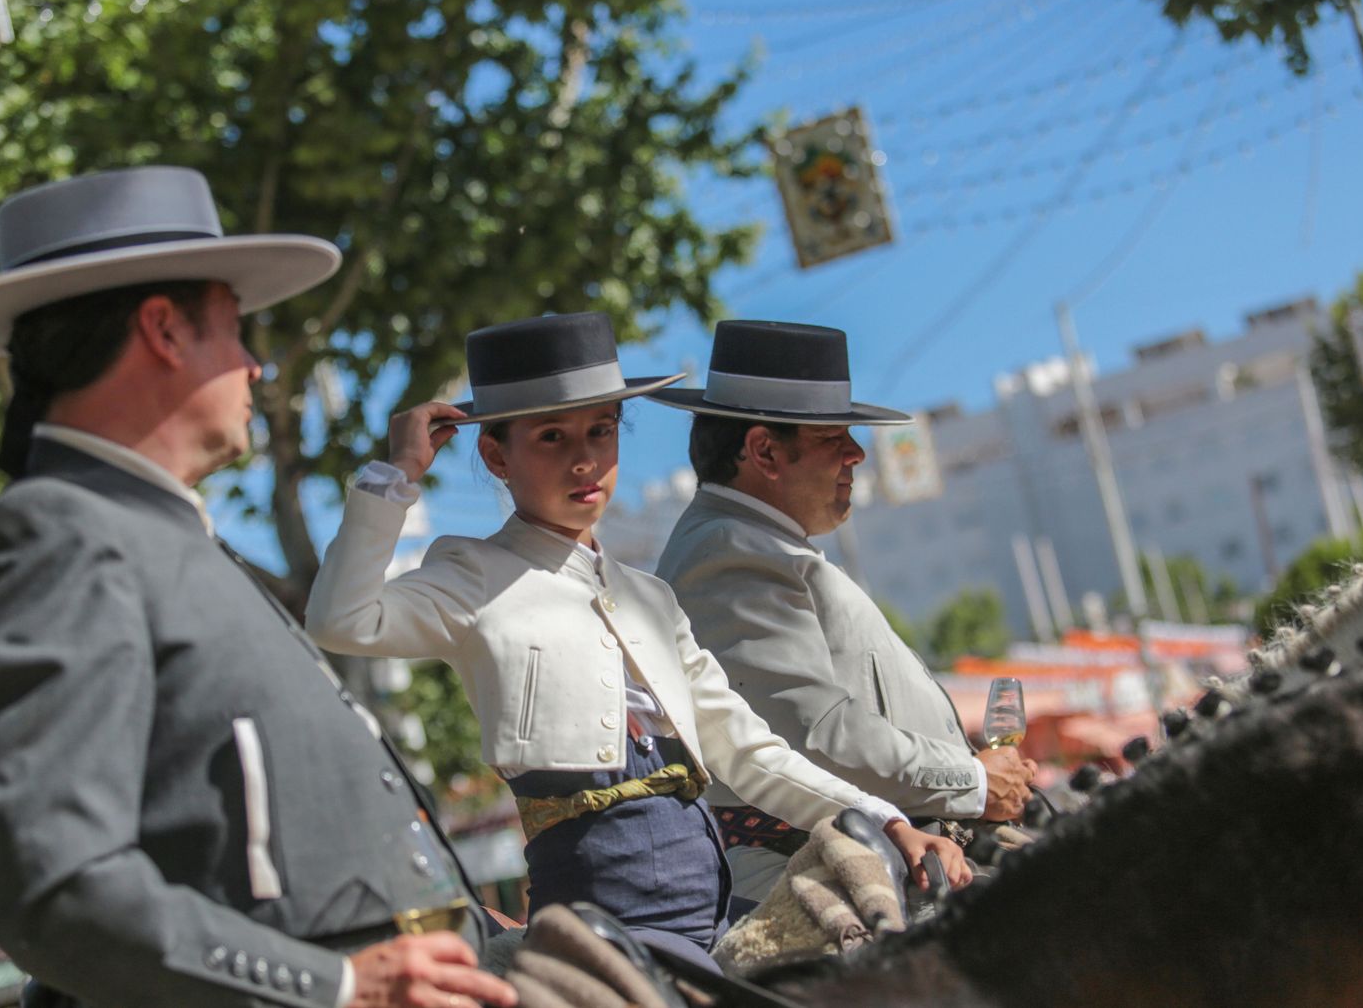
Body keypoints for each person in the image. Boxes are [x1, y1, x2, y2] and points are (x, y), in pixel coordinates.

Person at [0, 166, 518, 1008]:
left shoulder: (154, 535)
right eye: (234, 331)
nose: (256, 368)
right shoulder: (55, 534)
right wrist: (336, 985)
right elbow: (56, 890)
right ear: (162, 329)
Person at [304, 312, 969, 969]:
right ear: (495, 454)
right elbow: (340, 620)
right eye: (552, 438)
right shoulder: (472, 574)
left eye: (601, 429)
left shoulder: (650, 599)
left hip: (714, 900)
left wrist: (885, 820)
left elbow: (749, 750)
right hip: (607, 912)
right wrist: (394, 475)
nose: (585, 458)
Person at [651, 320, 1037, 902]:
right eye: (835, 437)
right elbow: (816, 734)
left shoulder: (757, 544)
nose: (857, 453)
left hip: (872, 861)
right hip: (826, 878)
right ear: (764, 450)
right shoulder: (731, 550)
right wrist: (974, 782)